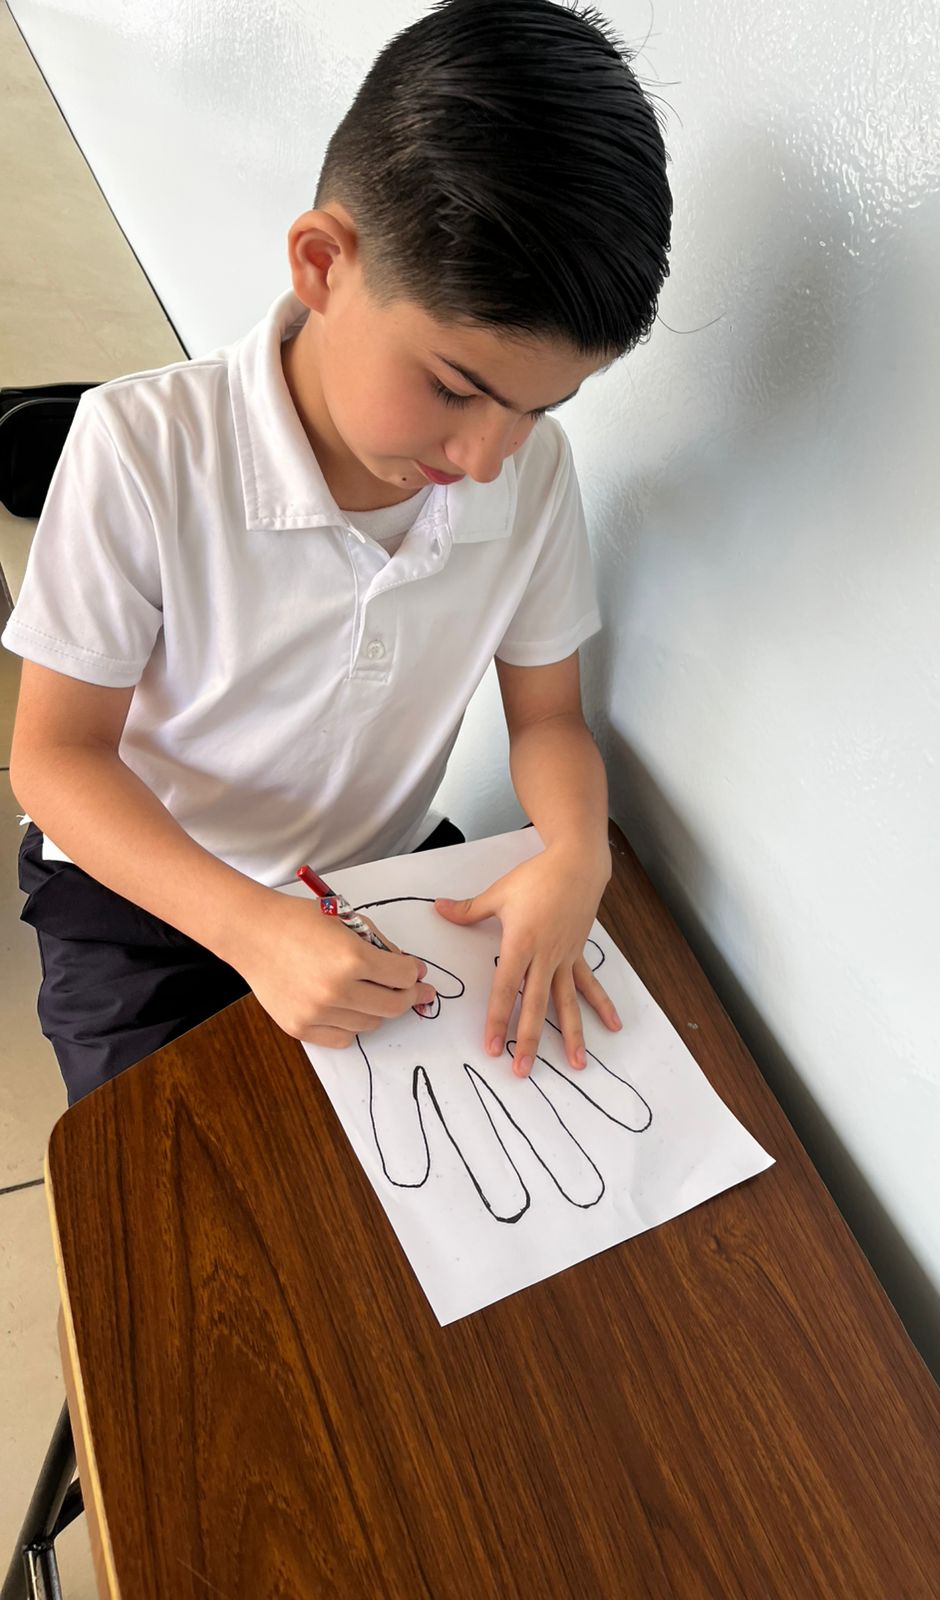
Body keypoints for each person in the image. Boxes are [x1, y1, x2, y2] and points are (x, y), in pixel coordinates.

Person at [3, 0, 673, 1104]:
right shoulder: (141, 446)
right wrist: (251, 929)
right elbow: (56, 758)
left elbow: (549, 717)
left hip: (376, 872)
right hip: (139, 890)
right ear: (323, 264)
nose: (488, 456)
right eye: (454, 388)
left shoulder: (533, 474)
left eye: (539, 409)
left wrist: (574, 850)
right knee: (174, 1175)